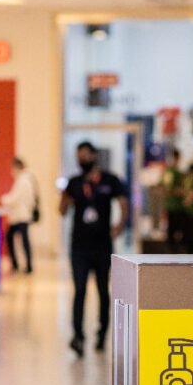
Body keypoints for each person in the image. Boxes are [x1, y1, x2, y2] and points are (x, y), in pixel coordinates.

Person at [59, 141, 128, 357]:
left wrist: (120, 225)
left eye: (85, 155)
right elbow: (62, 210)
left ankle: (102, 333)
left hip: (102, 245)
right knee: (79, 290)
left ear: (94, 156)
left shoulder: (110, 180)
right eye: (78, 156)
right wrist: (64, 196)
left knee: (102, 291)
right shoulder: (74, 182)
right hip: (79, 246)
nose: (82, 159)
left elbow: (123, 202)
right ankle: (78, 336)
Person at [0, 157, 38, 274]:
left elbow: (15, 198)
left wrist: (2, 199)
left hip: (21, 216)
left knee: (16, 239)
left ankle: (22, 265)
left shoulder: (23, 181)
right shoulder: (26, 179)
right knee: (20, 240)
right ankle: (23, 265)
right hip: (21, 215)